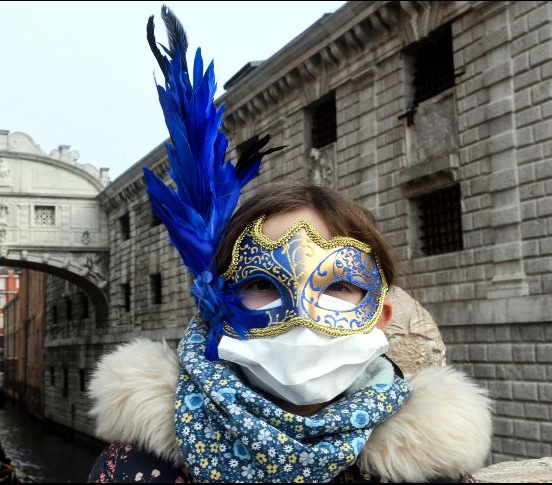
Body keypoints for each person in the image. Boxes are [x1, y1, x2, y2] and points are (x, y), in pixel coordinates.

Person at [86, 8, 492, 484]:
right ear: (218, 306)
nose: (302, 315)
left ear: (381, 313)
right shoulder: (136, 470)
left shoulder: (429, 469)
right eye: (261, 282)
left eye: (338, 285)